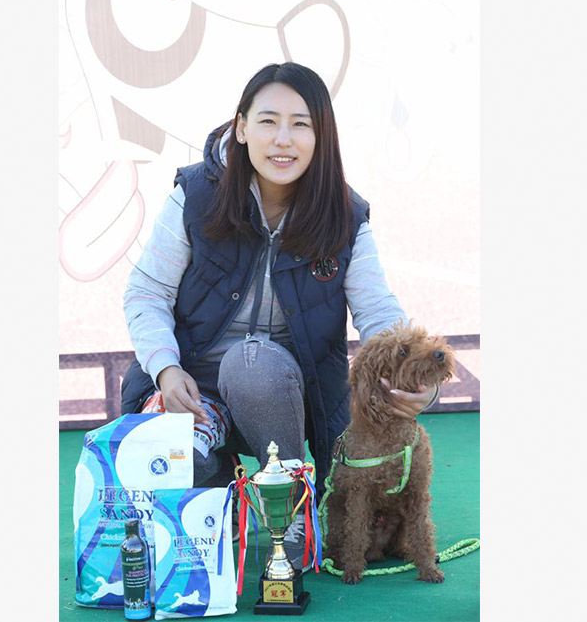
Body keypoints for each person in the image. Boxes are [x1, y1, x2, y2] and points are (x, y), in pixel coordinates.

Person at [121, 62, 438, 571]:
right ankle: (219, 478)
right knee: (180, 493)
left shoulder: (345, 216)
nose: (283, 140)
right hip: (193, 392)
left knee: (252, 362)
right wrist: (165, 369)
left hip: (286, 393)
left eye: (301, 124)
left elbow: (379, 311)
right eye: (268, 121)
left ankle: (288, 506)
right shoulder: (195, 196)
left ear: (321, 136)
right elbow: (146, 292)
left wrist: (414, 382)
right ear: (241, 128)